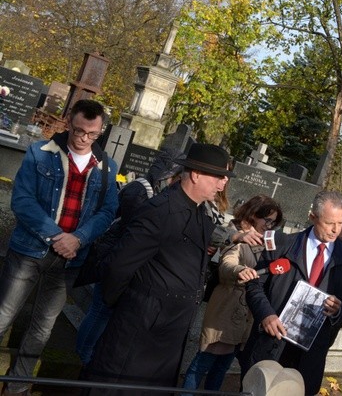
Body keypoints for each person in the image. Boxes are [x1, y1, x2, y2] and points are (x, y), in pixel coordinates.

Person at [84, 143, 235, 395]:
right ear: (196, 175)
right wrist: (135, 306)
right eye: (218, 177)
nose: (222, 185)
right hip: (139, 329)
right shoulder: (160, 210)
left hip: (168, 333)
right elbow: (119, 266)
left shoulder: (200, 213)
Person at [0, 99, 118, 395]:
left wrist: (77, 239)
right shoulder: (39, 153)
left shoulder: (107, 167)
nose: (84, 139)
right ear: (68, 122)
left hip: (70, 261)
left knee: (42, 328)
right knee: (3, 314)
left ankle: (16, 387)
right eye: (79, 131)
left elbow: (108, 211)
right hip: (29, 251)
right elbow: (22, 201)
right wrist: (57, 236)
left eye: (92, 134)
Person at [242, 191, 342, 396]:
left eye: (340, 223)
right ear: (313, 217)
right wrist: (266, 315)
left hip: (309, 356)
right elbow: (255, 284)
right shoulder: (281, 244)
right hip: (270, 345)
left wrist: (339, 309)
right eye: (329, 223)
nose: (336, 230)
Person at [75, 150, 182, 365]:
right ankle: (82, 353)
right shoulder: (139, 191)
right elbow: (133, 232)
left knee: (104, 312)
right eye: (175, 177)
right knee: (99, 310)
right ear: (166, 175)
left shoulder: (150, 191)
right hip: (113, 259)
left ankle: (89, 353)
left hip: (121, 260)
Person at [182, 195, 283, 394]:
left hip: (247, 315)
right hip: (226, 309)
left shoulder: (268, 242)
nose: (269, 225)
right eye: (267, 220)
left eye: (274, 222)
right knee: (203, 361)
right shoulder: (237, 234)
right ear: (254, 215)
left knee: (222, 367)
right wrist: (239, 271)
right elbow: (227, 264)